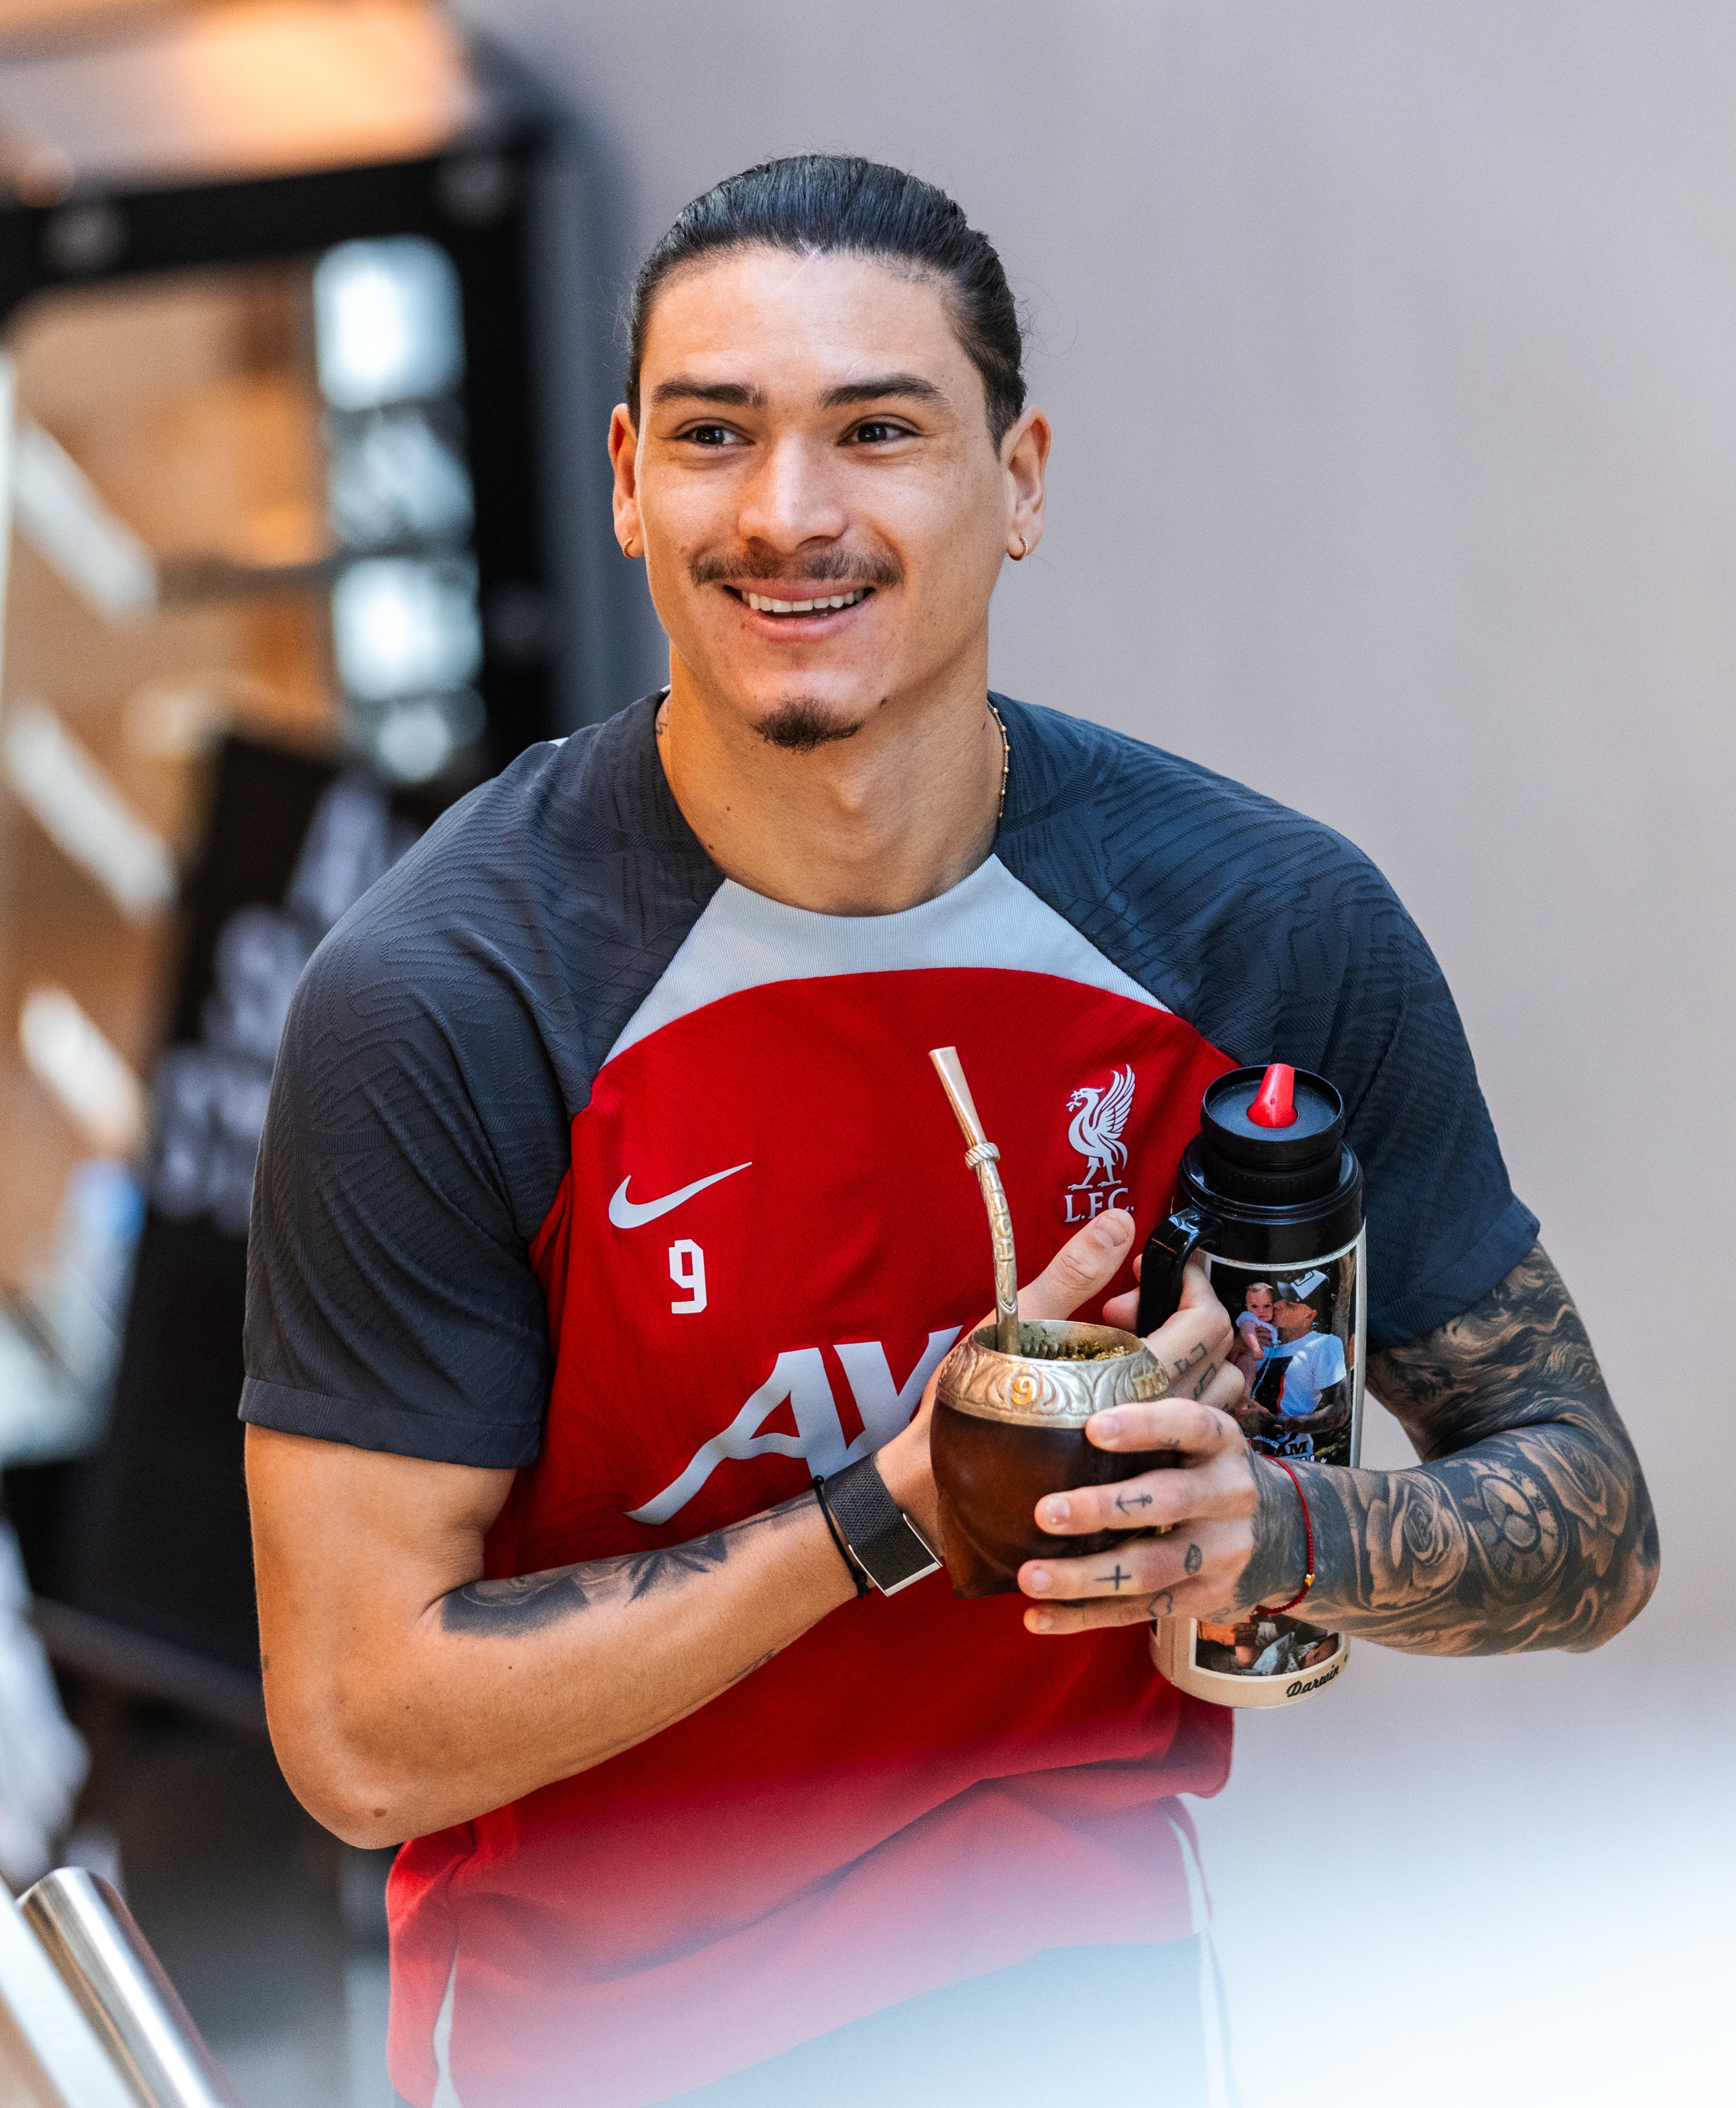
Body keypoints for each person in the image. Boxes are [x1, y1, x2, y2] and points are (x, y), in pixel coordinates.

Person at [241, 156, 1659, 2108]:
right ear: (628, 480)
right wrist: (885, 1514)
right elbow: (358, 1733)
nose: (788, 512)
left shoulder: (1256, 927)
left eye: (875, 431)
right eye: (716, 435)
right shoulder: (449, 1004)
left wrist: (1277, 1525)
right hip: (601, 2047)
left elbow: (1589, 1523)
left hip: (1086, 1998)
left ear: (1018, 480)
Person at [1248, 1272, 1347, 1424]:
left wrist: (1275, 1421)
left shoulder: (1324, 1344)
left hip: (1289, 1446)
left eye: (1290, 1305)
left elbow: (1339, 1411)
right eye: (1280, 1298)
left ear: (1310, 1315)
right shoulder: (1264, 1337)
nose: (1277, 1305)